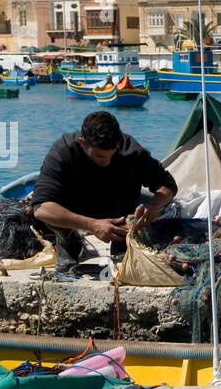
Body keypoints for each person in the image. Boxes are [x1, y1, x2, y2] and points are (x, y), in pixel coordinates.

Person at [31, 111, 177, 272]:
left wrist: (155, 205)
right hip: (76, 208)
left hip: (119, 212)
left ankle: (122, 242)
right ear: (82, 142)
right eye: (99, 156)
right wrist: (92, 225)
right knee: (52, 211)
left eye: (111, 155)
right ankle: (69, 240)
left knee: (123, 264)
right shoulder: (63, 151)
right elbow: (41, 208)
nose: (106, 162)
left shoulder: (130, 150)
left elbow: (167, 184)